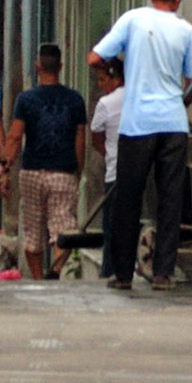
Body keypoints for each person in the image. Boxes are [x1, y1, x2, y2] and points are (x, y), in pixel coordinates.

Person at [89, 0, 192, 291]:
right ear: (178, 0)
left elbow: (94, 57)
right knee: (170, 200)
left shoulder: (133, 19)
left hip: (137, 124)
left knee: (129, 198)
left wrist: (125, 70)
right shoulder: (186, 31)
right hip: (172, 125)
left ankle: (123, 275)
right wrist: (178, 103)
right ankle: (163, 274)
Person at [1, 43, 87, 279]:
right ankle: (57, 269)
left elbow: (15, 136)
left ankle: (39, 280)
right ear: (60, 66)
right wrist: (78, 170)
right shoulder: (75, 100)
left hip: (32, 172)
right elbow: (80, 139)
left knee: (33, 231)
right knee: (64, 229)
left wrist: (5, 168)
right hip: (63, 172)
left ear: (38, 67)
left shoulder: (26, 99)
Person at [89, 57, 125, 278]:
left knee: (111, 225)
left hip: (114, 170)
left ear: (115, 77)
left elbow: (96, 137)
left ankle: (110, 270)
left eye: (103, 79)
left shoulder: (106, 103)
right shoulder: (139, 99)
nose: (101, 85)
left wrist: (109, 153)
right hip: (139, 170)